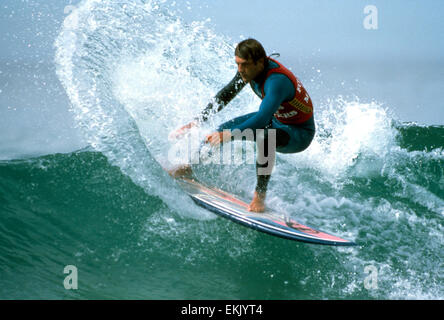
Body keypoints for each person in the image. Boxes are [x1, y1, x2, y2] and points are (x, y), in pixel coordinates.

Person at [170, 38, 315, 212]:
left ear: (260, 62)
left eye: (244, 65)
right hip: (276, 120)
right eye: (238, 64)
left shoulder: (277, 81)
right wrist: (197, 121)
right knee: (221, 130)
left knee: (266, 139)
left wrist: (230, 135)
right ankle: (188, 168)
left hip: (298, 133)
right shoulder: (249, 71)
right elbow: (226, 95)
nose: (240, 70)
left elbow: (261, 120)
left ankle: (259, 197)